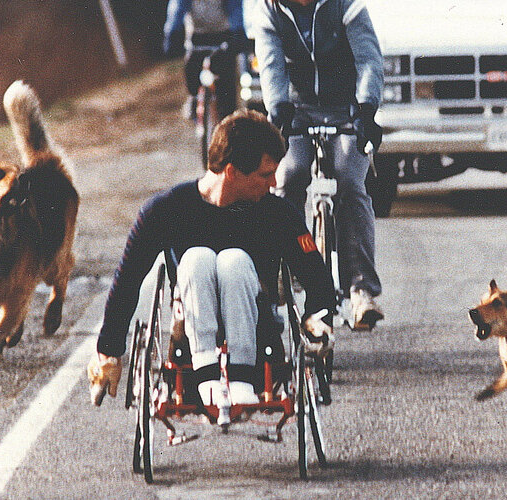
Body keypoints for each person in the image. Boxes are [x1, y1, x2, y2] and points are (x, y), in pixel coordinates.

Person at [87, 109, 335, 407]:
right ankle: (208, 375)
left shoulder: (278, 214)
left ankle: (239, 375)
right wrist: (108, 350)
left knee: (233, 261)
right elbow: (127, 281)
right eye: (265, 174)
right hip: (189, 352)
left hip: (259, 348)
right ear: (231, 171)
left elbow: (318, 279)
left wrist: (317, 319)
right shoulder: (164, 211)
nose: (273, 184)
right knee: (197, 259)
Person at [251, 0, 385, 330]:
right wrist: (278, 107)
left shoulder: (346, 5)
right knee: (289, 177)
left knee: (350, 182)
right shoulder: (269, 8)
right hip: (296, 109)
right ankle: (280, 273)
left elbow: (369, 59)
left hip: (347, 109)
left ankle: (360, 290)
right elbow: (271, 67)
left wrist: (367, 108)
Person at [163, 0, 248, 120]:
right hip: (197, 37)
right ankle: (194, 98)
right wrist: (172, 34)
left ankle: (229, 119)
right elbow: (177, 10)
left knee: (227, 93)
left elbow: (236, 11)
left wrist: (239, 33)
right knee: (192, 73)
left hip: (223, 37)